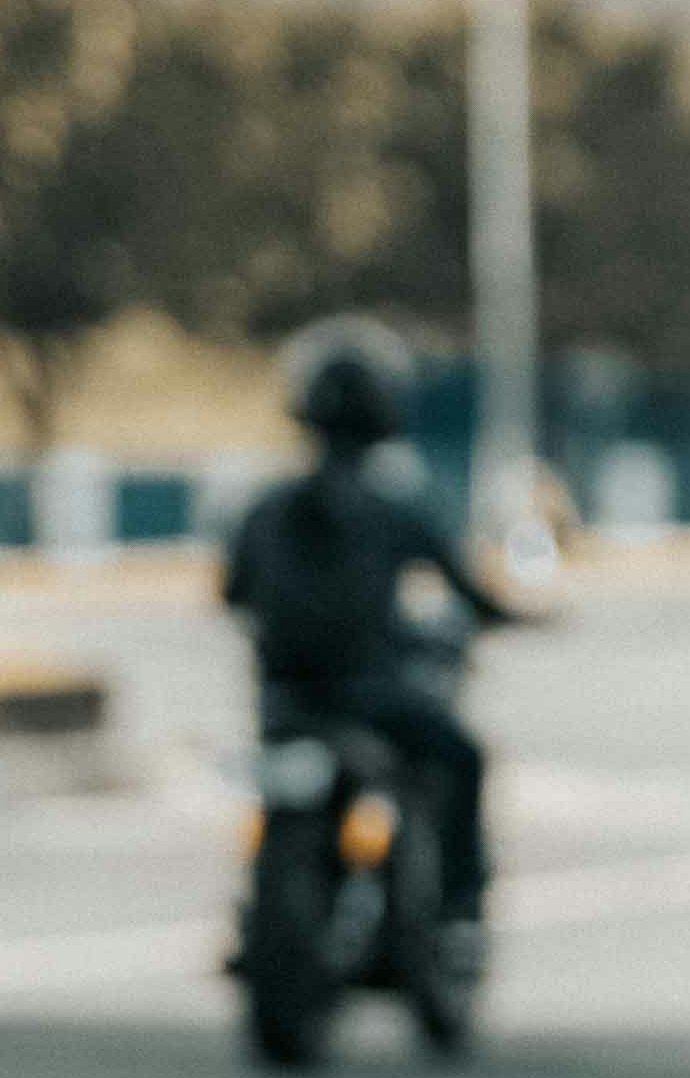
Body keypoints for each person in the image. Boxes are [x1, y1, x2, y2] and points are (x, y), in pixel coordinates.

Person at [222, 322, 528, 962]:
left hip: (283, 702)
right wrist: (515, 615)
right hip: (374, 699)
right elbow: (470, 593)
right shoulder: (396, 505)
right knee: (464, 758)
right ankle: (459, 912)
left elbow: (232, 595)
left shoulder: (266, 507)